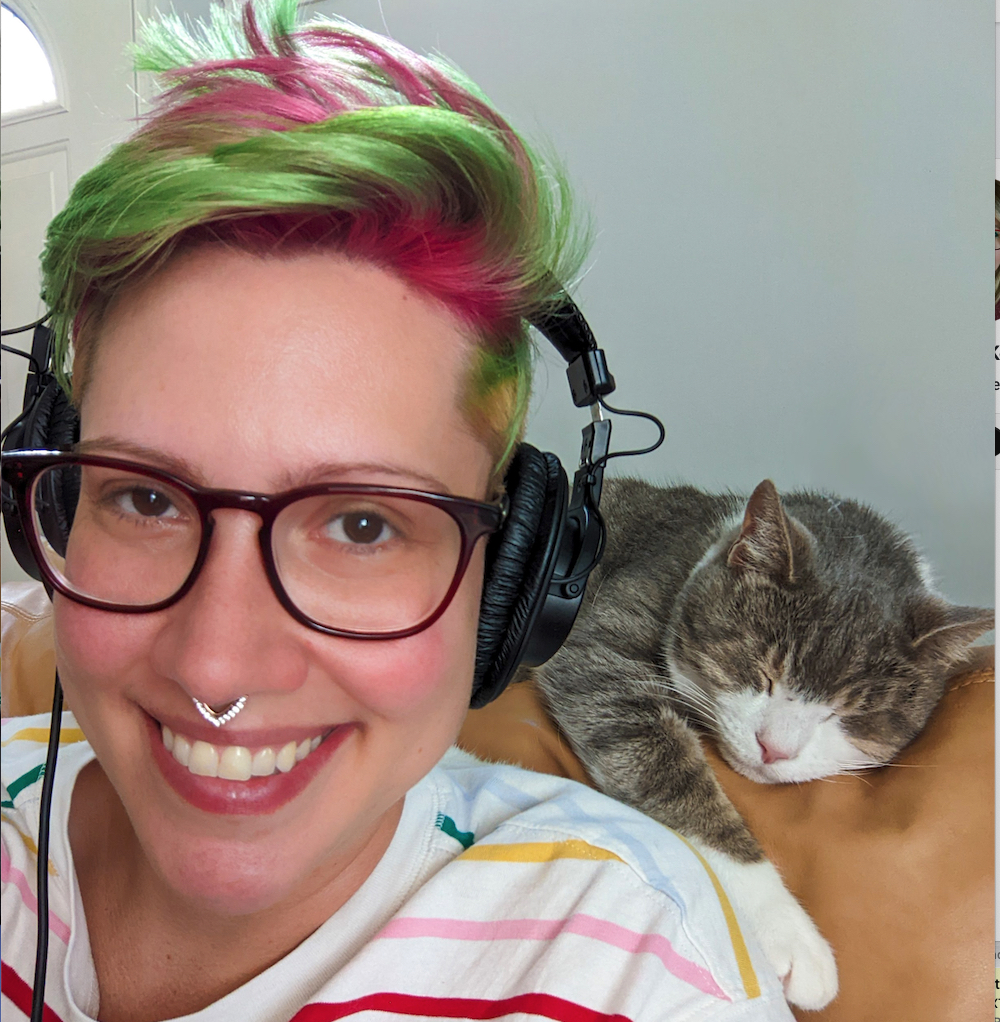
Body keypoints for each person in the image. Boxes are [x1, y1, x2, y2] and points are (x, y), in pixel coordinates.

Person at [1, 2, 796, 1019]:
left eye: (361, 523)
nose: (216, 664)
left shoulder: (637, 970)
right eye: (146, 497)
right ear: (56, 505)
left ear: (514, 575)